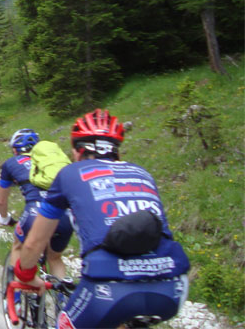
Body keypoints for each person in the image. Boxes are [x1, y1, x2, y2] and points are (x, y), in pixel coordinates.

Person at [14, 109, 190, 329]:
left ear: (77, 151)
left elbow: (34, 242)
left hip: (107, 289)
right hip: (172, 288)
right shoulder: (142, 173)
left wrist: (26, 275)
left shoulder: (69, 174)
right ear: (116, 151)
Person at [0, 128, 72, 279]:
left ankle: (15, 296)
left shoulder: (11, 163)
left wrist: (4, 218)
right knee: (54, 258)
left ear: (15, 149)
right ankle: (62, 299)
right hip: (65, 216)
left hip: (36, 212)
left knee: (18, 247)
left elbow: (1, 201)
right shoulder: (48, 163)